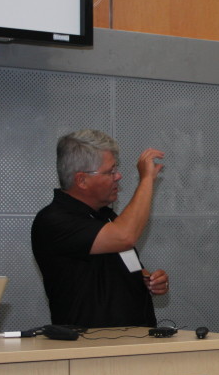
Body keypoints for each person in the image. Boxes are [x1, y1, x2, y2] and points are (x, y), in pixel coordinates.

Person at [31, 129, 169, 327]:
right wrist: (146, 180)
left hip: (132, 343)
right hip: (89, 349)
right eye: (110, 171)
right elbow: (125, 236)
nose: (118, 176)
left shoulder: (106, 217)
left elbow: (122, 263)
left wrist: (150, 279)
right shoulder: (54, 220)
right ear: (82, 180)